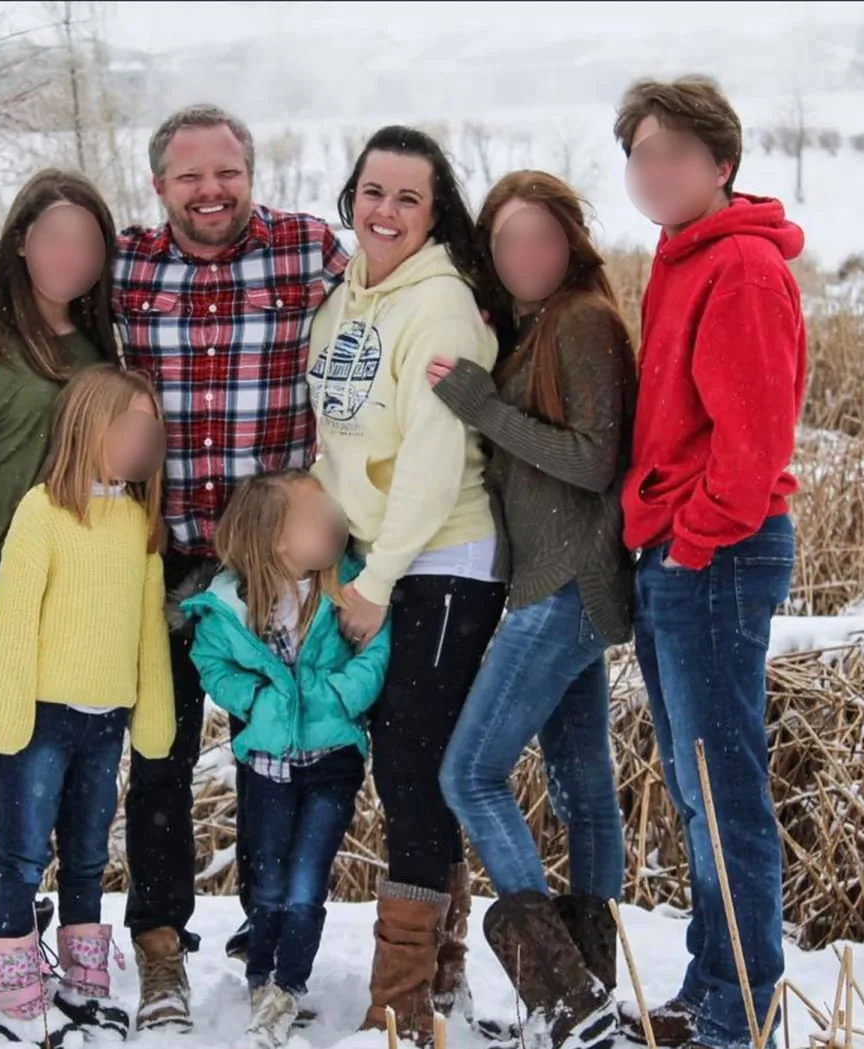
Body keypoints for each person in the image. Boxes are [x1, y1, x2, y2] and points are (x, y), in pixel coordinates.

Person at [112, 102, 351, 1032]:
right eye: (189, 177)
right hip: (166, 559)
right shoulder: (131, 266)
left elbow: (399, 289)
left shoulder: (305, 251)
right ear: (159, 185)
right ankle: (161, 945)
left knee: (283, 757)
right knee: (161, 759)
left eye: (227, 174)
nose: (210, 192)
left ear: (251, 173)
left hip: (273, 573)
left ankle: (272, 936)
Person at [611, 76, 806, 1049]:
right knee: (698, 786)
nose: (654, 171)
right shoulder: (681, 253)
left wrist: (689, 543)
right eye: (641, 154)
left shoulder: (739, 268)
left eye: (674, 153)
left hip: (716, 555)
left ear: (721, 164)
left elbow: (754, 443)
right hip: (676, 551)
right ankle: (711, 986)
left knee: (724, 789)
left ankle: (740, 1011)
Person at [307, 125, 506, 1046]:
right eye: (371, 192)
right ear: (350, 197)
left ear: (434, 214)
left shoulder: (441, 307)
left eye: (407, 198)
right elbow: (337, 438)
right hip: (377, 559)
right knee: (409, 762)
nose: (383, 211)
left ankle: (400, 1001)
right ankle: (442, 965)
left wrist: (379, 578)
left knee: (412, 767)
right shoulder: (346, 298)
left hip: (441, 560)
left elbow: (432, 460)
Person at [432, 170, 638, 1049]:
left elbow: (595, 461)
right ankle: (590, 989)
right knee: (583, 789)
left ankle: (560, 993)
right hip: (560, 585)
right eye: (508, 242)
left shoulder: (583, 321)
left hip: (566, 588)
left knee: (468, 773)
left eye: (541, 239)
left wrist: (482, 407)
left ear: (571, 243)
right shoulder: (534, 327)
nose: (526, 256)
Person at [0, 169, 116, 1023]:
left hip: (77, 612)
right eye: (54, 238)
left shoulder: (96, 345)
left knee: (59, 788)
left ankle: (21, 932)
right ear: (22, 244)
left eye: (88, 241)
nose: (70, 255)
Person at [0, 364, 176, 1044]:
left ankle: (84, 983)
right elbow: (12, 618)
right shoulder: (44, 511)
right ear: (90, 427)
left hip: (107, 720)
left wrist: (153, 714)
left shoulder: (140, 524)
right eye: (128, 427)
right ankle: (15, 981)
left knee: (89, 853)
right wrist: (3, 711)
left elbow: (149, 626)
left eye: (149, 431)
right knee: (23, 852)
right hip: (44, 719)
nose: (138, 442)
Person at [182, 471, 390, 1049]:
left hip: (332, 764)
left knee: (305, 886)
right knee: (268, 883)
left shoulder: (347, 587)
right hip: (267, 766)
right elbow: (211, 662)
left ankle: (288, 986)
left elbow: (377, 648)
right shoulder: (230, 604)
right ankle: (260, 978)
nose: (332, 523)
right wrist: (254, 700)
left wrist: (341, 696)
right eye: (314, 517)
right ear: (274, 538)